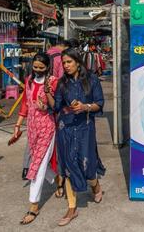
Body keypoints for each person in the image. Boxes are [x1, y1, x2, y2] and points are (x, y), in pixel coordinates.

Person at [54, 48, 106, 226]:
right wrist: (46, 96)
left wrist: (85, 107)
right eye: (64, 63)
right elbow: (56, 106)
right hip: (66, 128)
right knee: (68, 166)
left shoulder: (91, 80)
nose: (66, 66)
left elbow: (99, 104)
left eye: (69, 62)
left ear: (78, 62)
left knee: (86, 164)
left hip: (85, 127)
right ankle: (71, 208)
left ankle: (95, 185)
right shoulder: (62, 83)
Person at [10, 52, 60, 224]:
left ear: (47, 67)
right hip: (32, 128)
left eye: (41, 67)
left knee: (36, 167)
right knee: (39, 163)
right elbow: (25, 103)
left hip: (47, 127)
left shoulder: (53, 81)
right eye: (35, 66)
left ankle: (33, 206)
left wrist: (46, 106)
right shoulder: (29, 80)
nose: (37, 70)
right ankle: (58, 178)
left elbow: (58, 105)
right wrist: (17, 126)